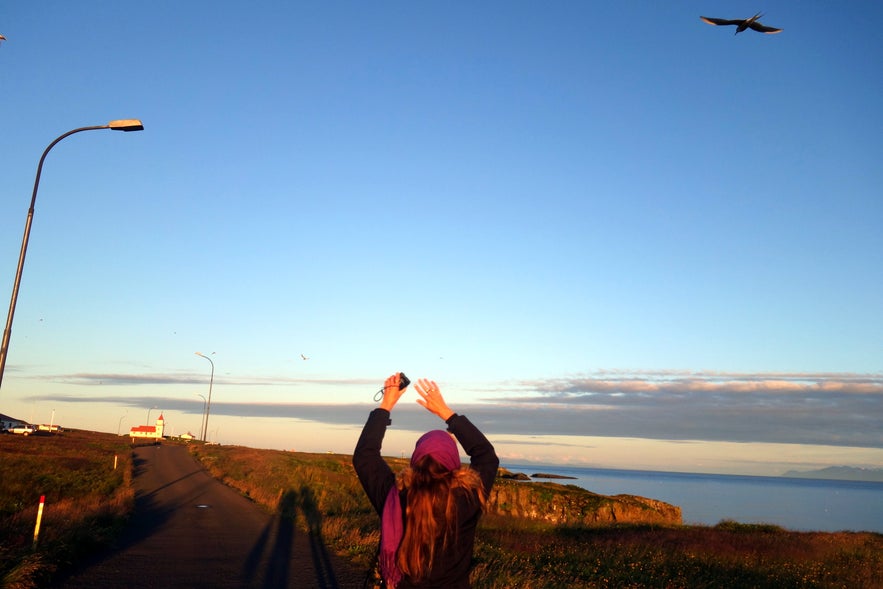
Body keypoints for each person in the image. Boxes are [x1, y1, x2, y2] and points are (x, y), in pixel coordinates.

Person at [353, 373, 499, 589]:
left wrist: (386, 404)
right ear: (453, 461)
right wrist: (446, 412)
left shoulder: (395, 495)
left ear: (416, 459)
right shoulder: (467, 497)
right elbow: (486, 455)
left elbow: (365, 456)